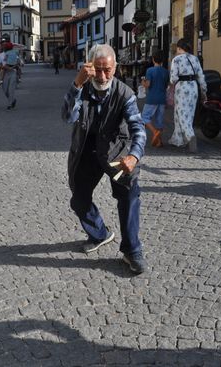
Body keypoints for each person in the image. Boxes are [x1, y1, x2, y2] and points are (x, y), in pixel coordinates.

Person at [61, 44, 148, 274]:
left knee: (129, 193)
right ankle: (100, 233)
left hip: (116, 150)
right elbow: (67, 116)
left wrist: (134, 155)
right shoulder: (83, 87)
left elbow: (138, 127)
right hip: (87, 149)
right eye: (97, 70)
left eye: (106, 70)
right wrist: (77, 84)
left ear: (115, 68)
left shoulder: (125, 93)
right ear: (90, 67)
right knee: (79, 198)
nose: (101, 76)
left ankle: (132, 250)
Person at [169, 38, 208, 152]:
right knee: (188, 114)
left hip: (182, 88)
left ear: (179, 48)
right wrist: (204, 91)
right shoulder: (195, 59)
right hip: (193, 87)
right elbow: (201, 76)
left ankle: (191, 137)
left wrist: (171, 84)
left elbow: (173, 78)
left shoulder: (176, 60)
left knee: (181, 114)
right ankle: (178, 139)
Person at [141, 50, 169, 148]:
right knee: (159, 120)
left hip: (152, 98)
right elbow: (166, 86)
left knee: (144, 117)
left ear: (153, 60)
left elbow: (148, 84)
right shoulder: (166, 71)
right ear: (162, 61)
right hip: (162, 98)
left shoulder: (150, 71)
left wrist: (143, 83)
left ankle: (154, 131)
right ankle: (159, 141)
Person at [1, 42, 18, 109]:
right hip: (6, 72)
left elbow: (17, 62)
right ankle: (13, 100)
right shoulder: (2, 55)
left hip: (13, 72)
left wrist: (14, 66)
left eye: (5, 46)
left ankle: (9, 104)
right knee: (5, 89)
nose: (4, 47)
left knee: (11, 89)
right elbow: (1, 65)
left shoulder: (13, 53)